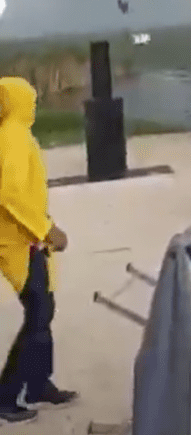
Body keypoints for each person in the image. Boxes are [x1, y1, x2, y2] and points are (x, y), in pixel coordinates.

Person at [0, 76, 77, 423]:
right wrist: (48, 229)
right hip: (18, 241)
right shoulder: (12, 137)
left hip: (29, 237)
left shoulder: (16, 133)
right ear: (17, 103)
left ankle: (38, 384)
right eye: (30, 100)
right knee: (38, 315)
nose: (35, 105)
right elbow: (9, 194)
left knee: (44, 309)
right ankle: (5, 398)